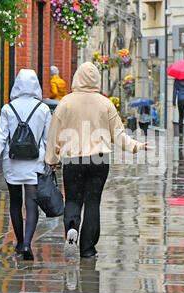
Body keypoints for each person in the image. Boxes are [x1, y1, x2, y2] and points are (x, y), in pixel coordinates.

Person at [45, 62, 151, 258]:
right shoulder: (105, 103)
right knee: (93, 202)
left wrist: (51, 159)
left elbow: (54, 135)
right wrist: (136, 146)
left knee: (73, 199)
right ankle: (88, 249)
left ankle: (71, 228)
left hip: (73, 158)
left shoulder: (66, 102)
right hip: (99, 159)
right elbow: (118, 134)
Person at [0, 69, 52, 261]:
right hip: (35, 162)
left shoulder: (8, 108)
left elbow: (0, 138)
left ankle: (19, 241)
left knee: (15, 202)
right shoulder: (43, 109)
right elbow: (48, 139)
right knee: (32, 203)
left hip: (12, 162)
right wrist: (51, 160)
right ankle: (27, 244)